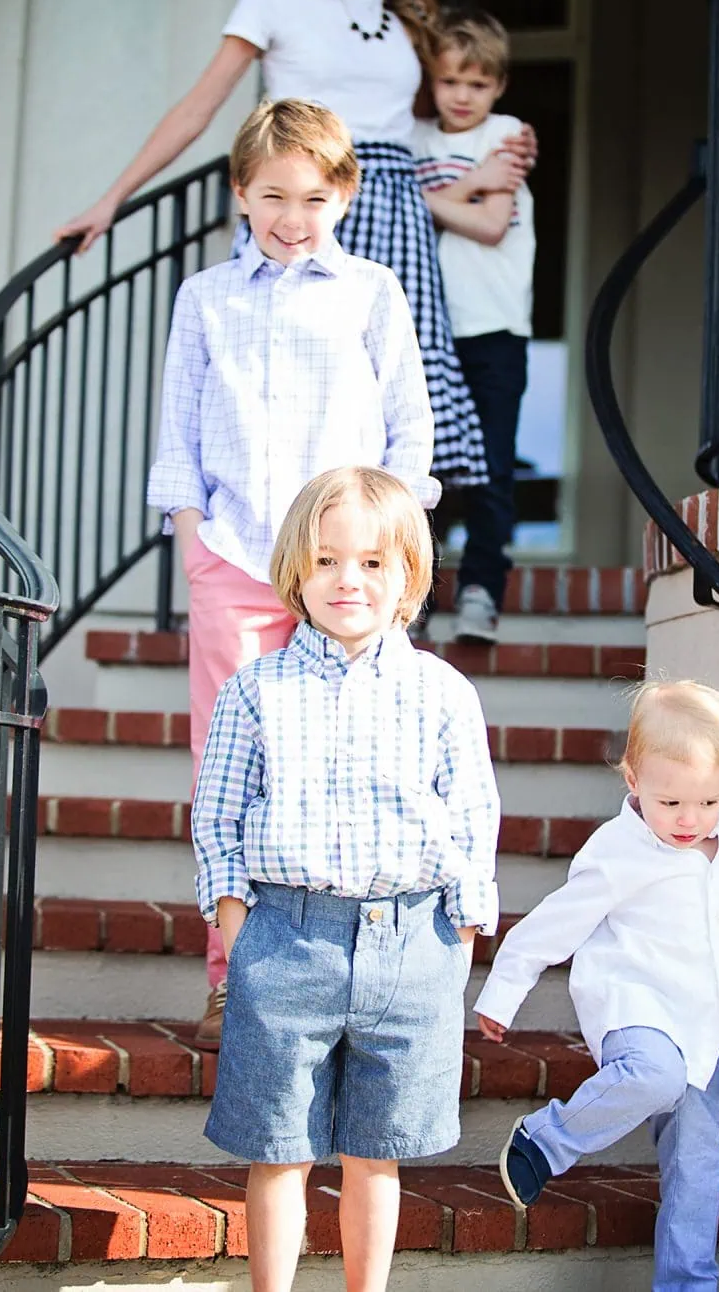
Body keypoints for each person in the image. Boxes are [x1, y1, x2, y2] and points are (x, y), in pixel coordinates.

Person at [55, 0, 535, 490]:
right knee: (277, 389)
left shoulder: (411, 14)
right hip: (301, 202)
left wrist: (503, 143)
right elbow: (200, 106)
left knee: (388, 400)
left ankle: (380, 579)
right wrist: (112, 198)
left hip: (395, 205)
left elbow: (443, 114)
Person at [147, 99, 440, 1048]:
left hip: (346, 565)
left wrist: (390, 546)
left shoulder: (371, 293)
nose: (291, 215)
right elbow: (177, 434)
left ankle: (349, 972)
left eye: (313, 197)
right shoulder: (206, 300)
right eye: (272, 194)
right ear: (240, 192)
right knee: (229, 770)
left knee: (349, 762)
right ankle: (233, 975)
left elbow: (408, 424)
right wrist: (194, 536)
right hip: (235, 556)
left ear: (344, 195)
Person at [191, 465, 501, 1292]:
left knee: (378, 1154)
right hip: (286, 939)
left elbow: (474, 824)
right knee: (279, 1150)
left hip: (411, 943)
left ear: (409, 575)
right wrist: (236, 930)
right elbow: (218, 818)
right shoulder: (256, 691)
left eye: (371, 562)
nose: (347, 580)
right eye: (326, 560)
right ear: (296, 569)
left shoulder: (442, 694)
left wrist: (459, 940)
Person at [474, 679, 719, 1291]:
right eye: (672, 802)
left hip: (707, 1031)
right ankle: (545, 1139)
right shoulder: (618, 850)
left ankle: (687, 1284)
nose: (690, 820)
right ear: (632, 779)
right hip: (639, 1009)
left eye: (709, 802)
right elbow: (557, 922)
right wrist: (503, 993)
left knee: (700, 1162)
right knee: (653, 1075)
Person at [413, 9, 535, 643]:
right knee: (422, 473)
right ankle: (415, 596)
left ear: (498, 86)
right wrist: (471, 185)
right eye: (450, 81)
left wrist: (430, 200)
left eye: (477, 83)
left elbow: (491, 226)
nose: (462, 95)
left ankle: (482, 590)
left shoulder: (507, 134)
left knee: (489, 470)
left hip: (494, 329)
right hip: (428, 329)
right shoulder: (412, 138)